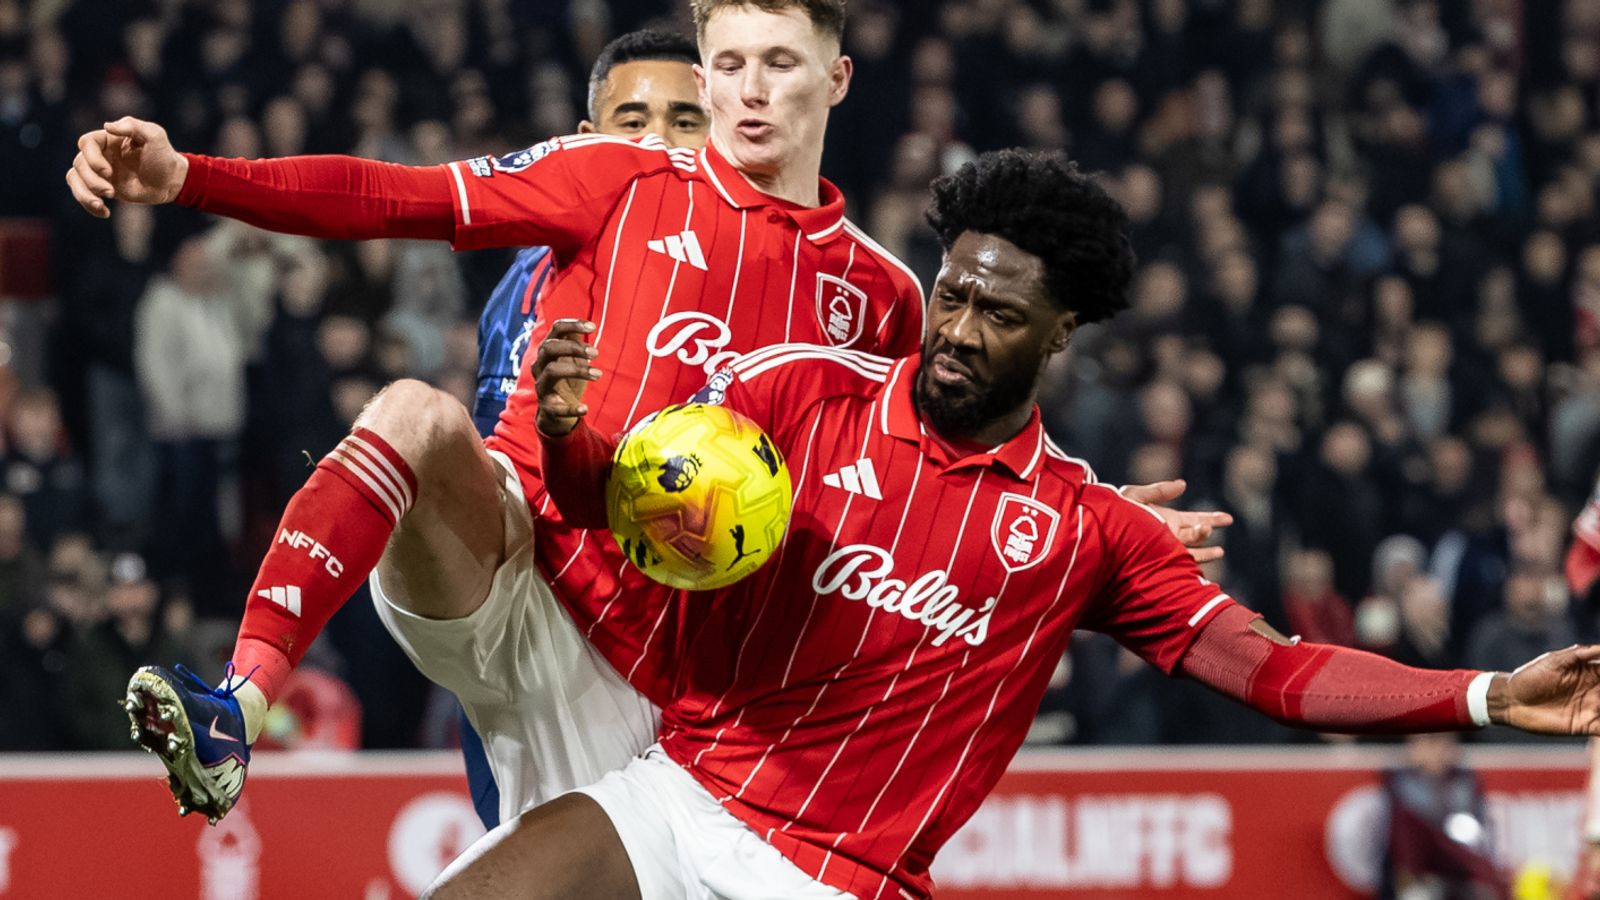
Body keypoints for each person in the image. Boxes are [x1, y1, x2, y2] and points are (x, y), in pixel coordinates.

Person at [80, 0, 1225, 829]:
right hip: (512, 560)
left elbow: (943, 460)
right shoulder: (610, 175)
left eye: (781, 62)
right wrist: (194, 178)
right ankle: (237, 704)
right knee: (416, 417)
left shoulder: (878, 294)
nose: (751, 88)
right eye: (728, 62)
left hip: (652, 661)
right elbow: (397, 196)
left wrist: (1101, 517)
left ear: (835, 78)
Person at [492, 149, 1600, 900]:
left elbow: (1273, 671)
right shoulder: (798, 393)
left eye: (1000, 314)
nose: (960, 330)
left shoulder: (1085, 531)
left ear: (1059, 332)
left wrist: (1484, 695)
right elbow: (620, 514)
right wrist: (569, 439)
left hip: (839, 880)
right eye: (952, 294)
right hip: (678, 796)